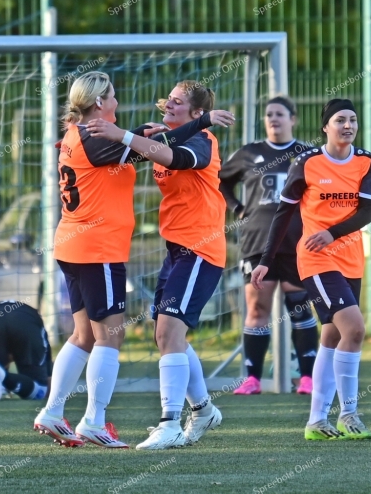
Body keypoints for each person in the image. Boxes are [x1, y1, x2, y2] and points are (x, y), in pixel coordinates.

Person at [33, 71, 235, 448]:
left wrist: (141, 133)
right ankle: (94, 420)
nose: (117, 99)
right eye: (111, 94)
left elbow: (168, 153)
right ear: (99, 103)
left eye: (178, 100)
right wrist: (145, 133)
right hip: (99, 248)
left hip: (185, 248)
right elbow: (149, 150)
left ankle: (59, 411)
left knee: (136, 334)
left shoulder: (198, 141)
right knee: (113, 335)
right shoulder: (99, 136)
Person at [85, 80, 230, 450]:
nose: (168, 105)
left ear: (197, 114)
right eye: (169, 100)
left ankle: (169, 423)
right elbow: (122, 151)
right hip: (178, 248)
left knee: (168, 334)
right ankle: (203, 409)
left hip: (202, 248)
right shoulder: (168, 134)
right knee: (166, 336)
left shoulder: (202, 142)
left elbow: (174, 158)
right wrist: (85, 143)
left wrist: (122, 135)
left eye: (178, 102)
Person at [251, 98, 371, 441]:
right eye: (340, 120)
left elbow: (365, 214)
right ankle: (349, 413)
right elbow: (283, 213)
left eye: (353, 119)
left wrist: (333, 233)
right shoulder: (307, 163)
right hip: (316, 261)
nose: (348, 125)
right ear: (326, 126)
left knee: (332, 337)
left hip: (351, 260)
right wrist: (265, 260)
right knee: (354, 329)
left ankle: (316, 421)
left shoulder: (366, 162)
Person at [219, 97, 319, 395]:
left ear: (293, 119)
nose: (273, 119)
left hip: (296, 243)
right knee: (257, 307)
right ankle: (252, 378)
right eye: (268, 115)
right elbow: (219, 180)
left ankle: (307, 378)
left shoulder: (307, 155)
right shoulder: (249, 153)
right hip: (256, 243)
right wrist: (237, 208)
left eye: (279, 114)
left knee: (299, 305)